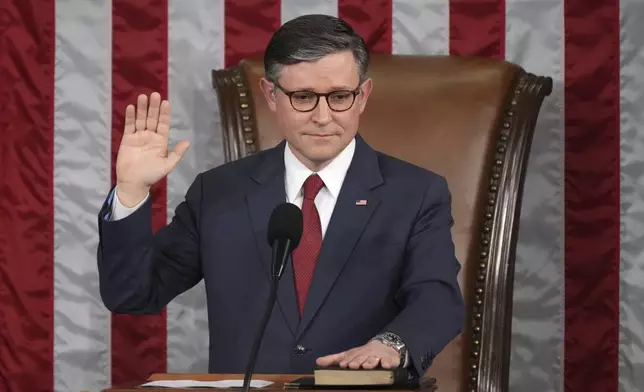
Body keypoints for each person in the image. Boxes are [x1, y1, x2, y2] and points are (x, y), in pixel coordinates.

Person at [97, 14, 464, 378]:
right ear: (271, 95)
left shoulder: (415, 193)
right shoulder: (219, 192)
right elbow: (132, 294)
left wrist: (392, 345)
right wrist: (131, 190)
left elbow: (437, 297)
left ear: (363, 96)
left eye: (339, 97)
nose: (323, 117)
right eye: (303, 97)